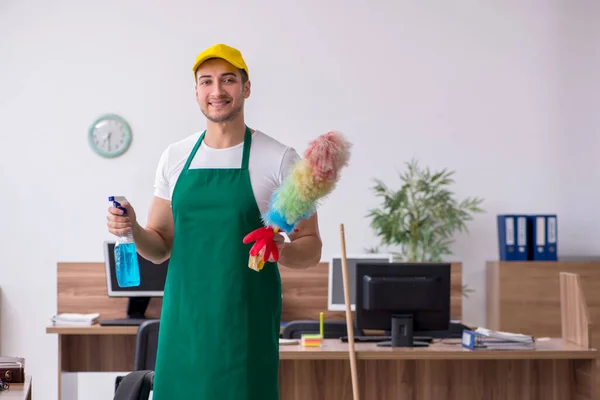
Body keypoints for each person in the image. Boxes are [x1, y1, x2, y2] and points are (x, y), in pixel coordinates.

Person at [106, 43, 322, 399]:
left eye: (228, 80)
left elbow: (311, 246)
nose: (217, 91)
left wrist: (281, 250)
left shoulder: (280, 159)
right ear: (196, 91)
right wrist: (132, 228)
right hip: (183, 323)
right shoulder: (175, 157)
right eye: (206, 82)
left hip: (245, 324)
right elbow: (159, 246)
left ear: (246, 88)